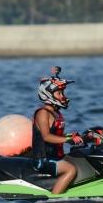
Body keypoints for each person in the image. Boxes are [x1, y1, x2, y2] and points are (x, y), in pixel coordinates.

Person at [32, 66, 84, 194]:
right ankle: (54, 200)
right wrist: (68, 139)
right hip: (43, 160)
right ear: (48, 94)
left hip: (55, 157)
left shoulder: (56, 113)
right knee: (71, 170)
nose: (63, 96)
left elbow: (57, 135)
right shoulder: (43, 113)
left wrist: (75, 136)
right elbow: (47, 137)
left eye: (63, 93)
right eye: (59, 93)